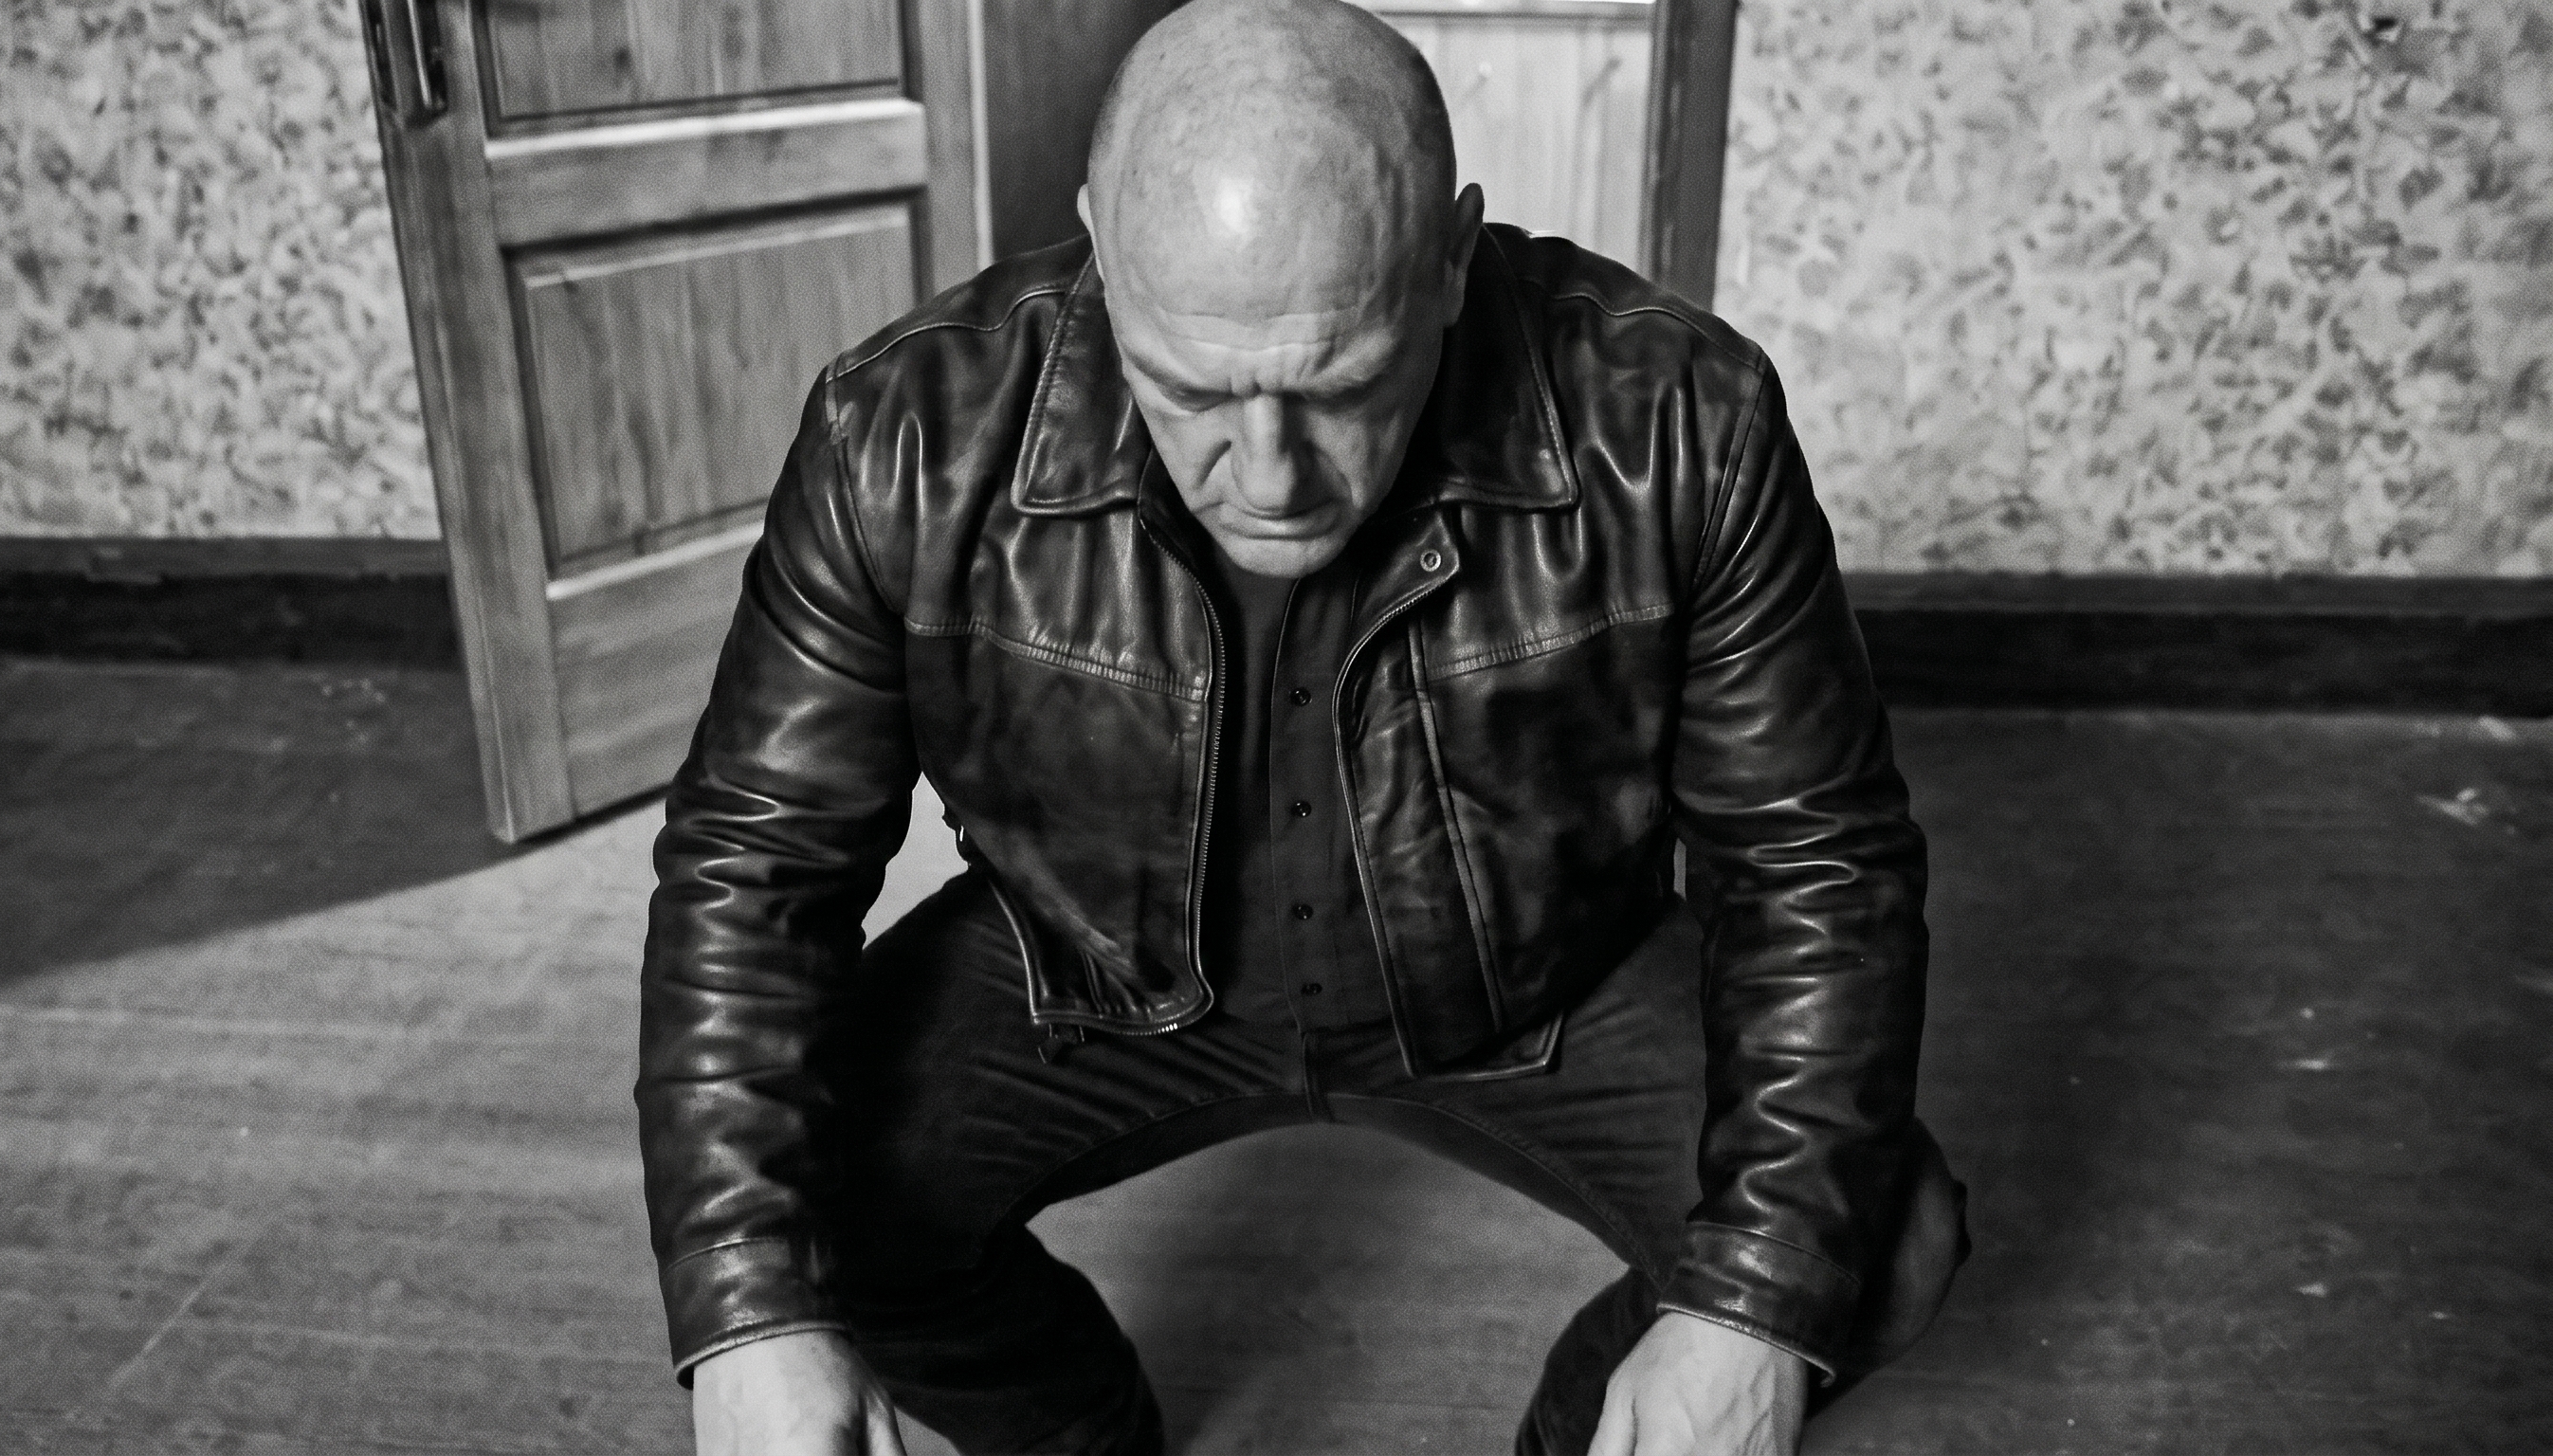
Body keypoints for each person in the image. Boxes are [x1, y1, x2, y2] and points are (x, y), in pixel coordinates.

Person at [637, 1, 1968, 1451]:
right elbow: (752, 866)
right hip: (1094, 967)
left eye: (1342, 386)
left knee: (1867, 1251)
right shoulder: (900, 435)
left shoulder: (1681, 422)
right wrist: (752, 1315)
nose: (1269, 475)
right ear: (1099, 250)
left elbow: (1815, 861)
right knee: (785, 1223)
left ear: (1452, 259)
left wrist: (1744, 1319)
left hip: (1529, 981)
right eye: (1192, 388)